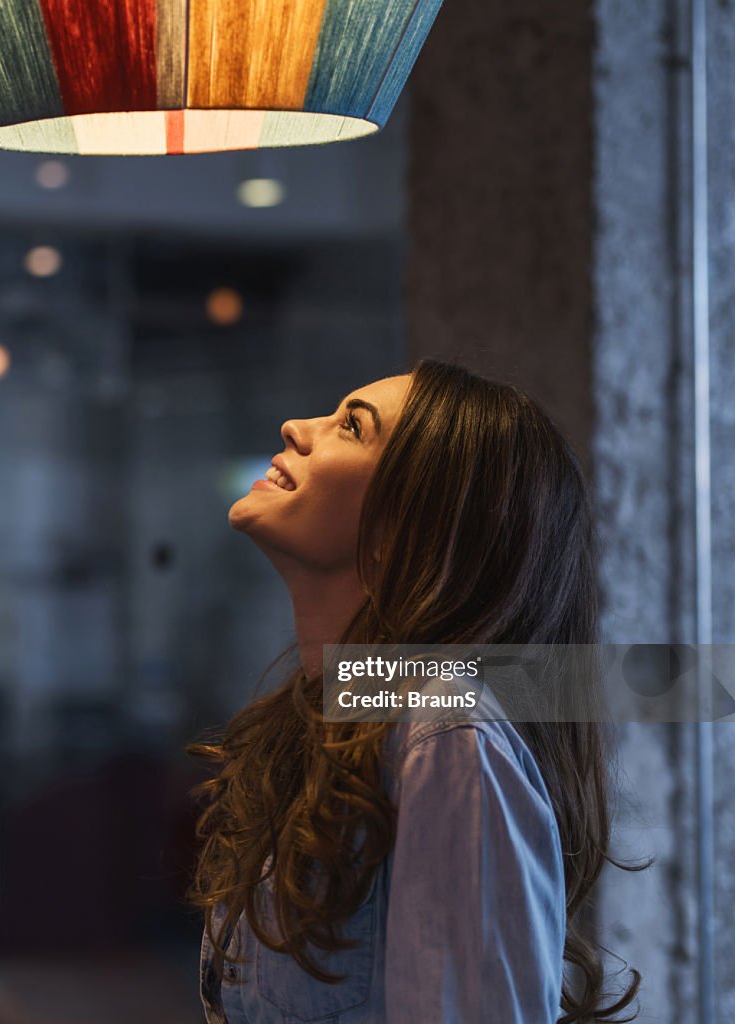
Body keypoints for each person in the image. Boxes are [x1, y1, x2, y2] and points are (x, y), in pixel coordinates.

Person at [185, 360, 642, 1023]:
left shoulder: (445, 729)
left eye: (350, 426)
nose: (296, 427)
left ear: (414, 526)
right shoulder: (346, 705)